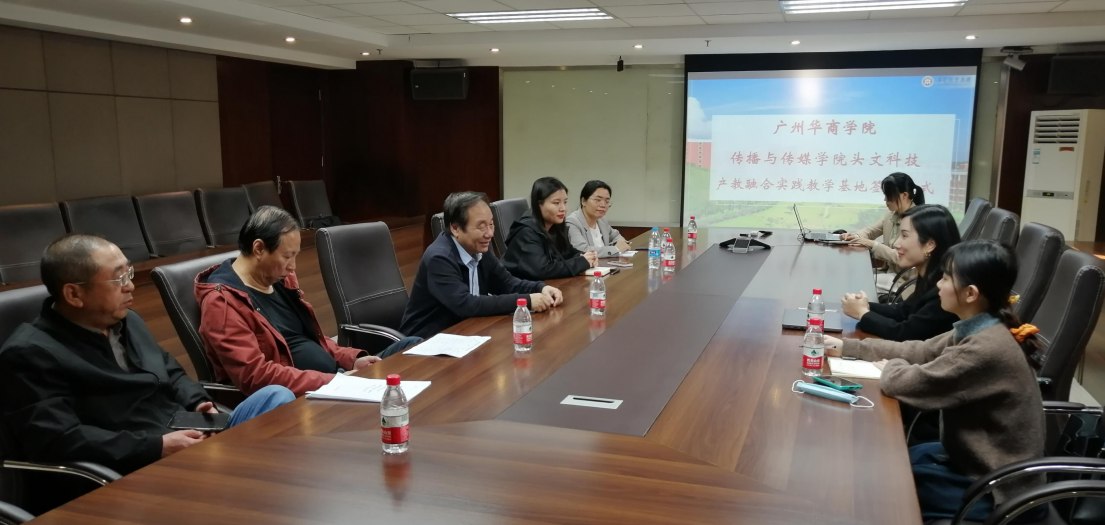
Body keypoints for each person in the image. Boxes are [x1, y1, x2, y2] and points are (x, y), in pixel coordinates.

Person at [0, 235, 294, 476]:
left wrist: (197, 401)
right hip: (139, 464)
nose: (130, 286)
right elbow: (61, 440)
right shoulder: (30, 354)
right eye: (118, 279)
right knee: (267, 465)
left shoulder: (128, 320)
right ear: (74, 294)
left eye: (128, 273)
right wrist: (158, 446)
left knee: (276, 397)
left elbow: (171, 370)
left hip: (186, 434)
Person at [824, 240, 1046, 523]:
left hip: (996, 489)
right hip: (970, 460)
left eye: (946, 278)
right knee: (884, 462)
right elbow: (919, 351)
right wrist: (848, 347)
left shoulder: (985, 348)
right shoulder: (982, 326)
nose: (938, 284)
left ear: (970, 293)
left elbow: (904, 383)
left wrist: (891, 367)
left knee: (879, 490)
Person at [196, 206, 421, 398]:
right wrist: (335, 381)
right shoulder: (222, 303)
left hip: (336, 378)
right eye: (287, 256)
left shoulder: (280, 281)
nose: (293, 266)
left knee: (413, 345)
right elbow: (256, 376)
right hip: (305, 397)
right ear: (259, 248)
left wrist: (352, 360)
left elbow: (316, 340)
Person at [400, 192, 564, 339]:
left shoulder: (478, 249)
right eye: (481, 226)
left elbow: (508, 283)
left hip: (466, 333)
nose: (490, 233)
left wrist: (541, 288)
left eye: (491, 224)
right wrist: (526, 301)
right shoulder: (439, 258)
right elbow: (466, 304)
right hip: (424, 343)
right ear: (455, 228)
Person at [840, 204, 961, 342]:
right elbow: (903, 311)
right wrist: (865, 305)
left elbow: (906, 333)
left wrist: (863, 313)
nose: (896, 244)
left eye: (904, 236)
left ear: (930, 245)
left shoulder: (944, 288)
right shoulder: (930, 275)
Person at [841, 172, 925, 293]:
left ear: (904, 195)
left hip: (903, 280)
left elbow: (903, 257)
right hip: (888, 273)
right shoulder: (891, 214)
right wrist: (854, 236)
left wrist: (873, 245)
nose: (885, 200)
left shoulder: (918, 221)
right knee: (854, 274)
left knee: (858, 282)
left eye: (889, 196)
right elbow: (871, 231)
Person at [502, 177, 597, 280]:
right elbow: (542, 269)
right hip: (518, 287)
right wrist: (581, 262)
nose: (563, 209)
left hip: (544, 285)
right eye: (556, 203)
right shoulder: (526, 231)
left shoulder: (555, 224)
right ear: (539, 204)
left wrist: (585, 256)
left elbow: (567, 252)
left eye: (565, 202)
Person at [565, 180, 631, 258]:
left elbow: (616, 236)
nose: (603, 205)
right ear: (583, 201)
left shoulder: (602, 221)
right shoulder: (572, 222)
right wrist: (616, 249)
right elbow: (582, 250)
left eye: (607, 201)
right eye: (598, 200)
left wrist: (620, 242)